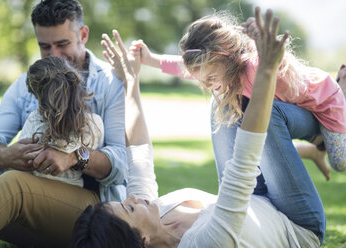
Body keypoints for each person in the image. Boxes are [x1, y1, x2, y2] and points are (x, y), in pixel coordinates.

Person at [72, 8, 324, 247]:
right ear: (142, 241)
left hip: (257, 199)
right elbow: (243, 167)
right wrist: (266, 70)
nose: (131, 197)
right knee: (257, 114)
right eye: (128, 208)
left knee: (224, 104)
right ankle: (325, 115)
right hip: (296, 225)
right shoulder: (207, 243)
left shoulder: (151, 213)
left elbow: (138, 155)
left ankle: (320, 112)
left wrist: (131, 82)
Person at [0, 0, 126, 246]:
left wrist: (75, 157)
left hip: (90, 212)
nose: (55, 55)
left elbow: (121, 164)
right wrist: (8, 155)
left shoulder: (110, 84)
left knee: (14, 186)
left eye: (62, 44)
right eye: (45, 47)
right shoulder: (26, 84)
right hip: (31, 199)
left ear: (83, 34)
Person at [132, 11, 346, 180]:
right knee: (260, 143)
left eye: (211, 78)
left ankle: (343, 92)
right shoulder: (221, 73)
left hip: (325, 100)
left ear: (224, 59)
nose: (208, 86)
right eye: (203, 81)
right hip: (297, 108)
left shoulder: (253, 67)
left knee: (340, 162)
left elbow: (271, 60)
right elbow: (184, 68)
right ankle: (315, 149)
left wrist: (262, 39)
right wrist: (151, 59)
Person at [20, 55, 104, 186]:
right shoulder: (95, 123)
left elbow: (22, 163)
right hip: (78, 191)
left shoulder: (36, 121)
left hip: (36, 191)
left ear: (38, 95)